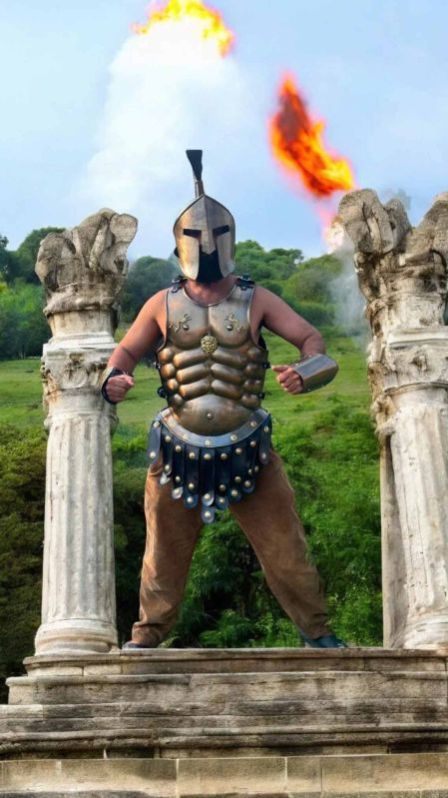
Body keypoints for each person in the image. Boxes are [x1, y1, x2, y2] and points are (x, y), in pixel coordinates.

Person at [101, 150, 346, 650]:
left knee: (286, 549)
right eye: (196, 236)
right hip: (177, 448)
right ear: (181, 244)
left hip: (248, 446)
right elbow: (124, 352)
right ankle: (147, 636)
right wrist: (114, 378)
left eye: (214, 236)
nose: (207, 244)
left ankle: (317, 632)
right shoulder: (162, 304)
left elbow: (313, 341)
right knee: (162, 553)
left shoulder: (258, 299)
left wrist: (305, 372)